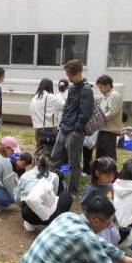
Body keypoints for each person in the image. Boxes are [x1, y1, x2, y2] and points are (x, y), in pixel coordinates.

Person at [49, 60, 94, 195]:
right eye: (68, 75)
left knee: (74, 162)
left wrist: (77, 130)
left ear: (79, 73)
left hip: (75, 131)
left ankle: (73, 190)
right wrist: (62, 123)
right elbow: (67, 107)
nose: (69, 78)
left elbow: (86, 112)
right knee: (55, 157)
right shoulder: (73, 87)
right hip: (64, 128)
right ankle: (50, 185)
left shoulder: (86, 89)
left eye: (71, 75)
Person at [14, 153, 73, 232]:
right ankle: (53, 222)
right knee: (66, 195)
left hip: (29, 215)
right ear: (50, 164)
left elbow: (17, 199)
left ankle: (30, 223)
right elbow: (54, 197)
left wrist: (23, 207)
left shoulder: (25, 176)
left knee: (28, 200)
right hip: (50, 215)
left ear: (34, 162)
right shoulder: (54, 176)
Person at [80, 157, 119, 245]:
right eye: (108, 176)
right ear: (97, 173)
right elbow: (84, 205)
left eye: (113, 176)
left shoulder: (110, 186)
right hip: (97, 221)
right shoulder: (92, 189)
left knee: (109, 238)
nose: (111, 178)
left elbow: (111, 201)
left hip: (107, 219)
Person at [30, 78, 65, 155]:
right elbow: (63, 106)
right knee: (49, 152)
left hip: (37, 128)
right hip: (48, 129)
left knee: (39, 150)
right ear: (50, 86)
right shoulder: (50, 97)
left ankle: (35, 162)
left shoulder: (35, 97)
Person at [95, 75, 122, 160]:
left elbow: (111, 113)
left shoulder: (114, 96)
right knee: (100, 155)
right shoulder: (104, 97)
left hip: (110, 132)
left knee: (109, 156)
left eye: (101, 87)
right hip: (102, 130)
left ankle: (111, 168)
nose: (100, 90)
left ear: (107, 85)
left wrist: (97, 120)